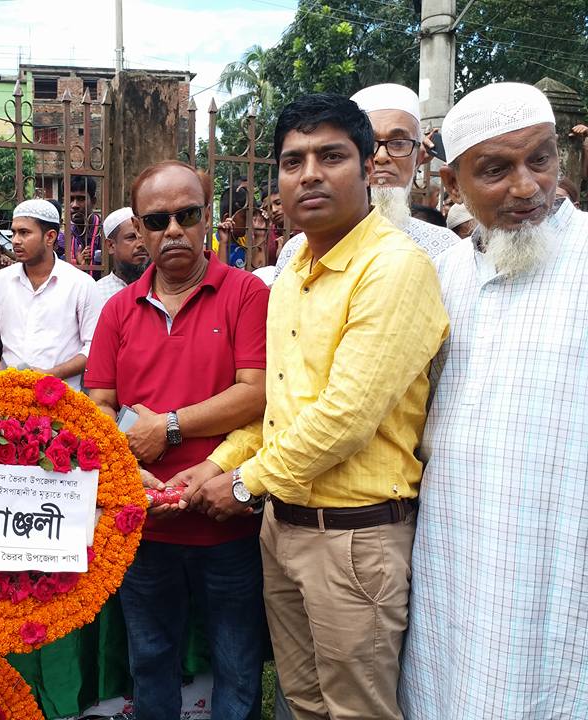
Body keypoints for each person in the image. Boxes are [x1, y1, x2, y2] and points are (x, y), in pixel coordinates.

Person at [178, 93, 449, 720]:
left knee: (355, 709)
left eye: (331, 156)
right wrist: (218, 464)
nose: (310, 175)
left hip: (353, 540)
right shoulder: (294, 267)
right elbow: (283, 403)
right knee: (300, 702)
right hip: (284, 526)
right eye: (292, 161)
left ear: (367, 165)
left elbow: (345, 417)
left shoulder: (393, 267)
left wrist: (243, 483)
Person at [399, 82, 588, 719]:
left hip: (562, 543)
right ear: (452, 183)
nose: (527, 186)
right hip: (457, 543)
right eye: (496, 170)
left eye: (540, 159)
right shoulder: (444, 274)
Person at [86, 160, 269, 720]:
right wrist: (126, 465)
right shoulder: (118, 309)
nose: (172, 230)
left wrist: (167, 426)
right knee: (151, 662)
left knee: (237, 664)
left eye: (186, 215)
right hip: (145, 524)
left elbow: (257, 394)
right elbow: (98, 404)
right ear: (137, 229)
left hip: (226, 519)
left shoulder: (246, 294)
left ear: (207, 218)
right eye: (156, 220)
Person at [275, 84, 459, 272]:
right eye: (370, 144)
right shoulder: (295, 252)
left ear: (418, 159)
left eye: (398, 143)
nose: (381, 156)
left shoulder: (445, 248)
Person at [0, 198, 99, 390]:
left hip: (62, 397)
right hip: (9, 396)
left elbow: (93, 347)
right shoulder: (1, 281)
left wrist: (52, 374)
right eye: (14, 232)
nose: (15, 240)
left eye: (24, 233)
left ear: (49, 237)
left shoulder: (80, 284)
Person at [94, 206, 149, 304]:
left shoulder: (166, 289)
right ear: (111, 245)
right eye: (132, 237)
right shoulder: (97, 294)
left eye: (144, 236)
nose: (141, 243)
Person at [64, 175, 101, 272]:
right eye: (70, 199)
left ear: (93, 201)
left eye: (81, 199)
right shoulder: (64, 238)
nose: (74, 205)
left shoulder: (104, 234)